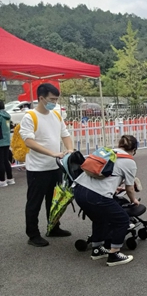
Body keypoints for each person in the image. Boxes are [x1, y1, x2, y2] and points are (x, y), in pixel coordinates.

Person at [19, 83, 74, 247]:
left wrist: (70, 149)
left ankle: (54, 227)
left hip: (55, 167)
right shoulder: (30, 116)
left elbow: (65, 134)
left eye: (56, 99)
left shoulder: (56, 115)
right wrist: (53, 153)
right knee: (34, 202)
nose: (54, 102)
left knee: (54, 200)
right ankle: (33, 234)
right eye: (52, 99)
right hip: (38, 169)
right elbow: (29, 142)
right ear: (41, 98)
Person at [74, 135, 139, 266]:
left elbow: (102, 174)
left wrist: (113, 188)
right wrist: (134, 200)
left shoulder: (107, 152)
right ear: (134, 149)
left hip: (79, 190)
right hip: (96, 196)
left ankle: (97, 249)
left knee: (100, 218)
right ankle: (114, 254)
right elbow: (130, 187)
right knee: (122, 220)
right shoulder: (129, 162)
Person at [0, 100, 14, 187]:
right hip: (6, 140)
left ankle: (2, 180)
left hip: (0, 141)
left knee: (0, 161)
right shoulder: (6, 115)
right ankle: (10, 178)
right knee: (6, 160)